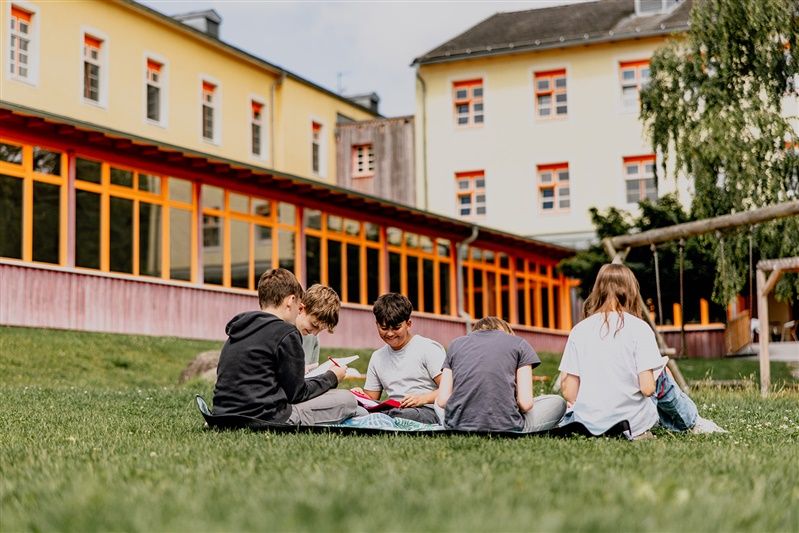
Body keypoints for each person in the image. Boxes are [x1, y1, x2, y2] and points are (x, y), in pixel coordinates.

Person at [558, 263, 725, 438]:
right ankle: (692, 422)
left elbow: (570, 393)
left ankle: (685, 420)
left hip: (588, 424)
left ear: (597, 290)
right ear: (631, 291)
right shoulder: (639, 328)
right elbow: (647, 388)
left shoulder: (578, 330)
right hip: (631, 424)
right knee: (662, 373)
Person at [213, 268, 357, 425]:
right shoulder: (286, 333)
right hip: (266, 416)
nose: (299, 310)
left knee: (349, 405)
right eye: (298, 305)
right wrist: (332, 377)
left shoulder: (239, 330)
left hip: (223, 414)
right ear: (291, 301)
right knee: (348, 400)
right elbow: (297, 394)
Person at [435, 317, 566, 433]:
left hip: (456, 425)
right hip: (508, 427)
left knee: (435, 402)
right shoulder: (519, 343)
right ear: (506, 331)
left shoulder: (455, 344)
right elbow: (526, 404)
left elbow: (442, 401)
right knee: (558, 402)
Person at [351, 293, 445, 424]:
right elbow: (371, 400)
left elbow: (450, 389)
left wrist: (421, 399)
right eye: (384, 328)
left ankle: (382, 419)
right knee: (352, 409)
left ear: (409, 324)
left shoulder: (428, 348)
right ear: (376, 324)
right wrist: (359, 395)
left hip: (425, 410)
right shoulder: (377, 356)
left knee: (398, 415)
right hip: (394, 409)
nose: (390, 333)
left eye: (396, 328)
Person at [295, 284, 342, 374]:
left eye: (321, 329)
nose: (315, 333)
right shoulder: (282, 331)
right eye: (314, 325)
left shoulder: (313, 337)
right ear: (301, 309)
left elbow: (312, 373)